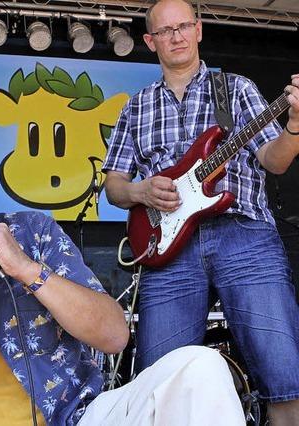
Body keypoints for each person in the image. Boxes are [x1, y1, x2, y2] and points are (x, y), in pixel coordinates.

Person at [0, 135, 245, 425]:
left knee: (200, 365)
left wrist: (27, 270)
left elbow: (115, 336)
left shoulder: (31, 232)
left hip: (80, 418)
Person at [102, 0, 299, 424]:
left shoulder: (236, 89)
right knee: (157, 386)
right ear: (150, 40)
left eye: (184, 26)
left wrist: (296, 124)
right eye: (165, 30)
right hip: (168, 251)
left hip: (243, 236)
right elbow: (113, 186)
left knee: (287, 378)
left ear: (199, 30)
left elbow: (275, 160)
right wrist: (140, 191)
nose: (176, 36)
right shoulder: (135, 107)